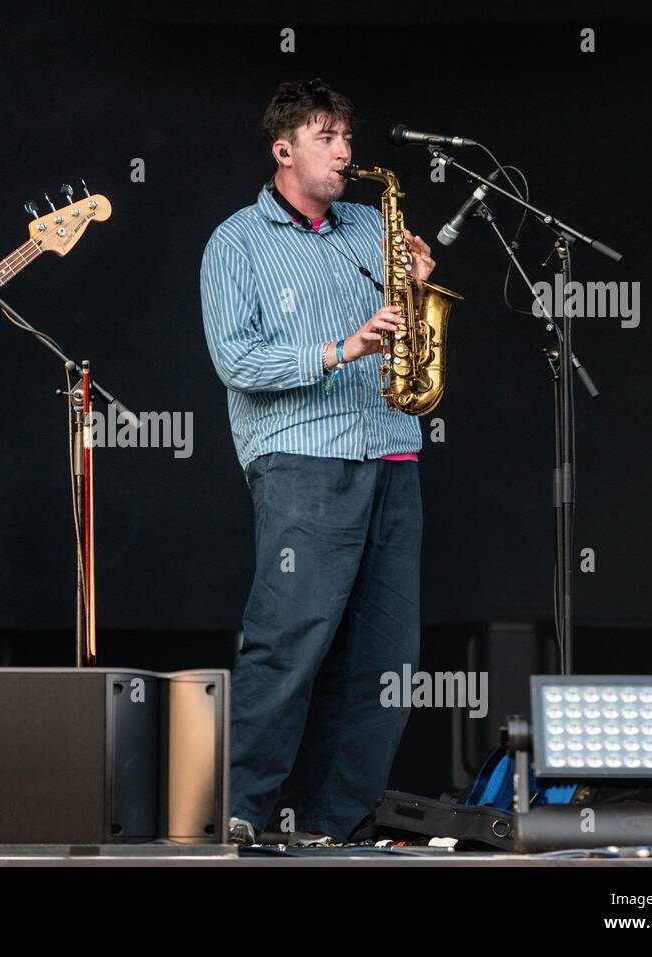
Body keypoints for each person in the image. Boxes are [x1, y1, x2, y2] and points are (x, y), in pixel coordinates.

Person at [199, 78, 437, 847]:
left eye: (346, 138)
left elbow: (406, 324)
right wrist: (341, 348)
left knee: (385, 656)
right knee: (289, 637)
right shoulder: (236, 241)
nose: (345, 152)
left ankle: (344, 822)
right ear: (285, 149)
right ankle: (240, 807)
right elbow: (238, 360)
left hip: (393, 449)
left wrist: (418, 283)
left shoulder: (371, 222)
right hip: (302, 455)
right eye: (328, 138)